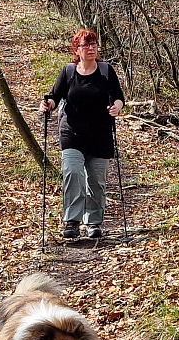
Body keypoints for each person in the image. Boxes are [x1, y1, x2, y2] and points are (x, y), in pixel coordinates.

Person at [39, 29, 125, 239]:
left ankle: (94, 223)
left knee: (96, 181)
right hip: (72, 133)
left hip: (100, 134)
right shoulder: (69, 71)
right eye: (86, 45)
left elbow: (118, 97)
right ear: (77, 49)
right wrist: (47, 104)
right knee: (73, 173)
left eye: (94, 44)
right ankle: (72, 222)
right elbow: (54, 96)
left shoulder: (106, 71)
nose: (91, 48)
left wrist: (116, 107)